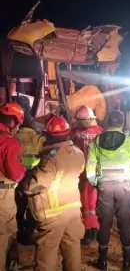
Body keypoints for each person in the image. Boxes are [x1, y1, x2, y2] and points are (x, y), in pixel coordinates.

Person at [23, 115, 85, 271]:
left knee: (47, 255)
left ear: (48, 135)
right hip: (73, 211)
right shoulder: (77, 152)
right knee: (72, 250)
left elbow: (33, 186)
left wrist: (26, 179)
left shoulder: (51, 157)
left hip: (53, 214)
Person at [87, 110, 130, 271]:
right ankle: (127, 261)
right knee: (125, 223)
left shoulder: (96, 141)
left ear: (107, 123)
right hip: (124, 187)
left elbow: (90, 169)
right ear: (121, 123)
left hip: (105, 187)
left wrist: (96, 183)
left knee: (104, 223)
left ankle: (103, 261)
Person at [71, 105, 103, 245]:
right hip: (97, 173)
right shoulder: (101, 132)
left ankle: (90, 230)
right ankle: (95, 229)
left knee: (87, 203)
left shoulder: (74, 133)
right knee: (94, 202)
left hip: (82, 173)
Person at [14, 100, 44, 246]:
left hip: (17, 177)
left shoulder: (13, 136)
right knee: (33, 206)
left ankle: (20, 232)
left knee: (19, 206)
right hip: (33, 176)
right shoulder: (38, 136)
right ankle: (29, 232)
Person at [0, 102, 26, 271]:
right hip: (3, 195)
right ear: (12, 122)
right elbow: (16, 174)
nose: (17, 128)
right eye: (18, 124)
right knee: (3, 236)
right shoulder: (9, 143)